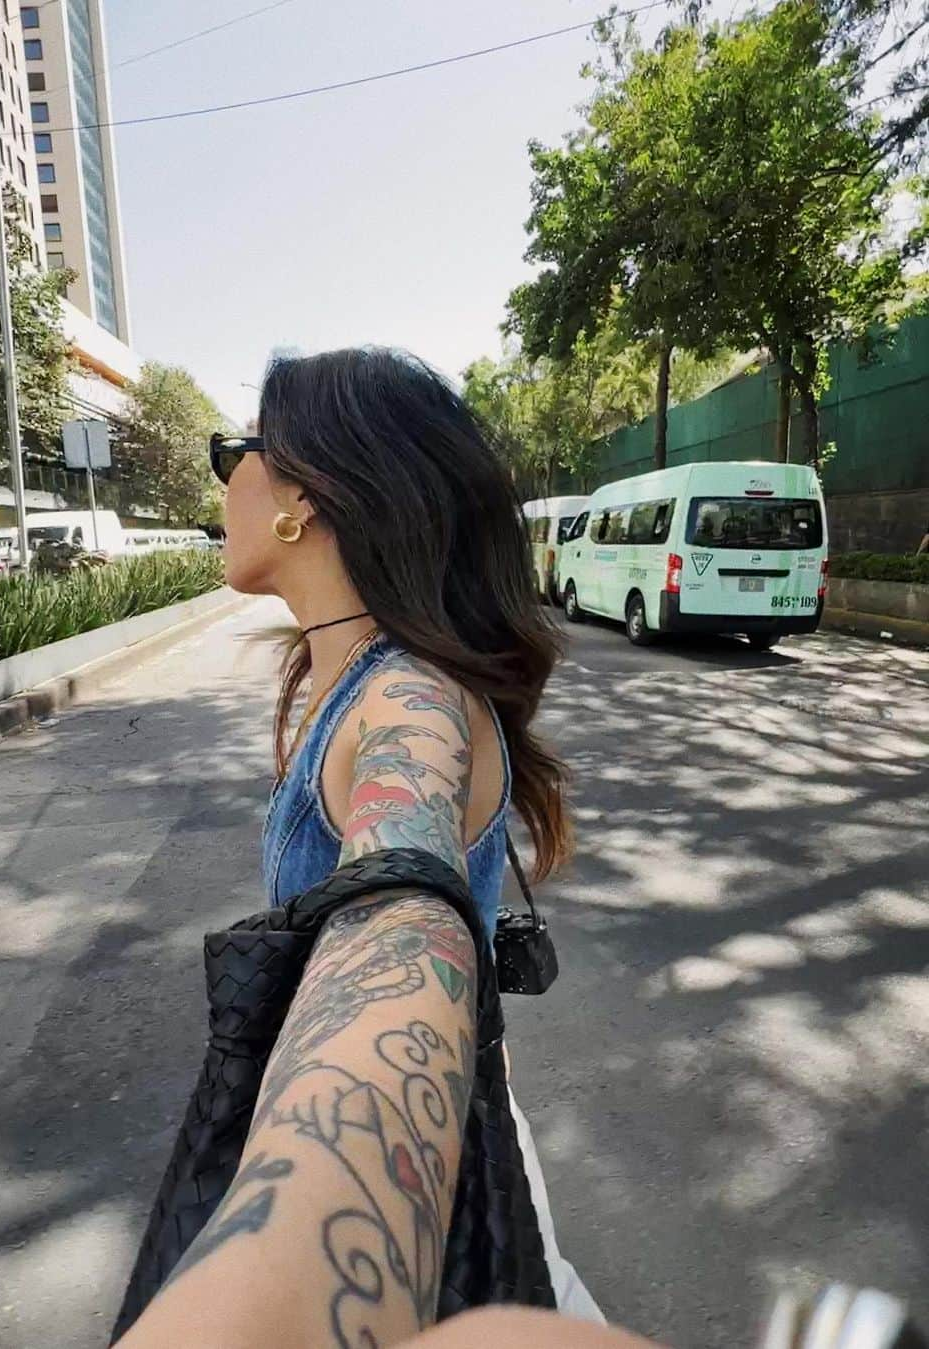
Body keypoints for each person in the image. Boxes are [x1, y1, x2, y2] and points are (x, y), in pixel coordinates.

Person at [118, 347, 600, 1348]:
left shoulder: (407, 699)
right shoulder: (353, 671)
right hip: (456, 1178)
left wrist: (309, 1220)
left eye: (234, 451)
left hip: (439, 1215)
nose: (227, 478)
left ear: (308, 496)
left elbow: (399, 900)